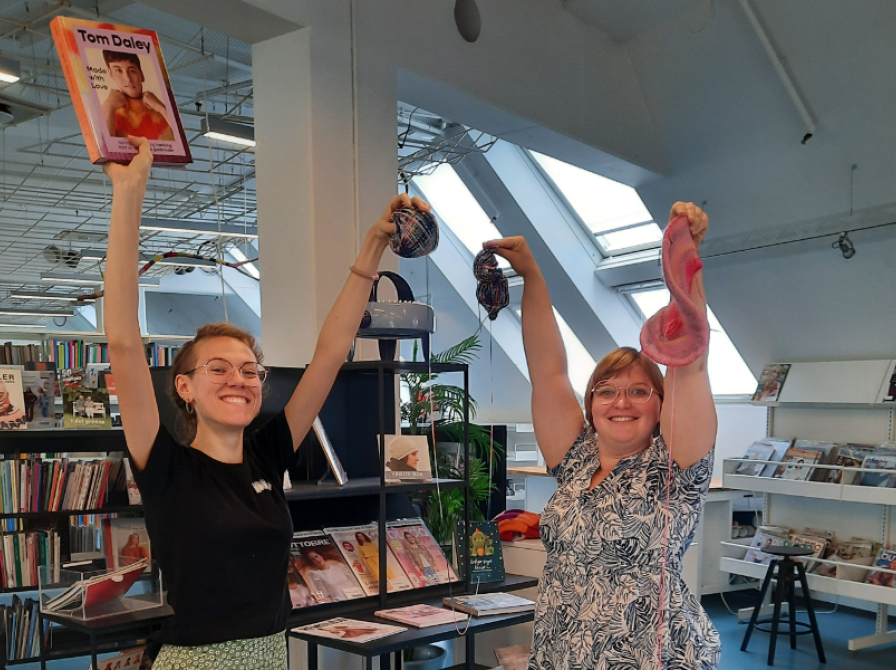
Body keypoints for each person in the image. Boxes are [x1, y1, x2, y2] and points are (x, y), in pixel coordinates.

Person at [103, 136, 429, 669]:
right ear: (184, 387)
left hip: (271, 655)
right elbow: (121, 341)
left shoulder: (268, 454)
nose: (239, 379)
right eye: (218, 368)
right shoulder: (165, 465)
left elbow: (330, 354)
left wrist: (374, 244)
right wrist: (129, 192)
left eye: (249, 370)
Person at [485, 202, 720, 669]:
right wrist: (532, 276)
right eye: (607, 391)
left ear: (662, 403)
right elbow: (548, 371)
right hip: (562, 654)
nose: (621, 402)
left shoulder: (676, 467)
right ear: (591, 404)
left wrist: (685, 255)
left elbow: (691, 359)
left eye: (639, 391)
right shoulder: (576, 459)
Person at [101, 51, 174, 141]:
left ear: (141, 75)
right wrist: (109, 106)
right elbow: (105, 145)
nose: (128, 79)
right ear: (111, 74)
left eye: (132, 71)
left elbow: (181, 139)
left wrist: (161, 108)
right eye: (119, 70)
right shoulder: (109, 111)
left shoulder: (160, 110)